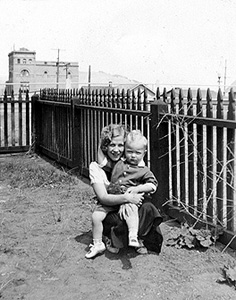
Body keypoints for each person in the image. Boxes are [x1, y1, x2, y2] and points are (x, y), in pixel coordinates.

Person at [86, 124, 163, 259]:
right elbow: (103, 197)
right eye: (111, 145)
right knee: (110, 218)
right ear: (105, 146)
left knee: (148, 208)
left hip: (130, 206)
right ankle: (109, 239)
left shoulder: (131, 160)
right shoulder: (101, 166)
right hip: (111, 206)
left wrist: (138, 190)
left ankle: (137, 238)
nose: (116, 150)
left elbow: (149, 179)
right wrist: (128, 198)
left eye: (120, 145)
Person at [107, 130, 158, 248]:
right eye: (129, 151)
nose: (133, 156)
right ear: (125, 149)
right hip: (115, 197)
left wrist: (138, 188)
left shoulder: (143, 170)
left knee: (130, 208)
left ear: (144, 153)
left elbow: (153, 185)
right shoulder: (119, 162)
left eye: (137, 153)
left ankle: (133, 235)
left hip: (130, 199)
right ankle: (107, 237)